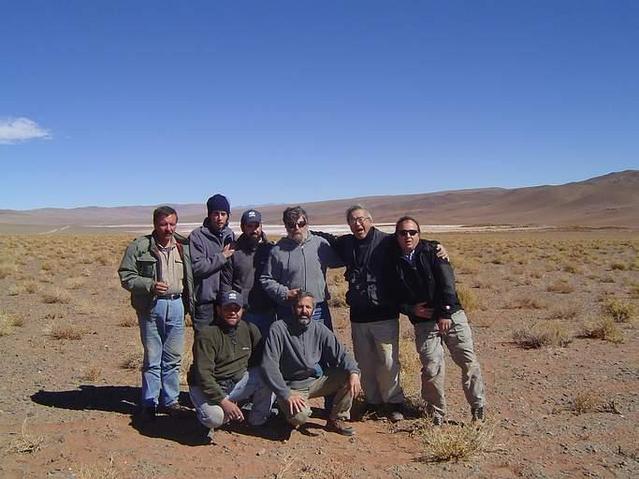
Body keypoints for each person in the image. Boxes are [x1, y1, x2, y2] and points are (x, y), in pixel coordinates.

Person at [314, 205, 448, 422]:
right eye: (353, 221)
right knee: (364, 362)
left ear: (370, 220)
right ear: (349, 224)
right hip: (358, 316)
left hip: (384, 314)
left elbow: (412, 242)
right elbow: (326, 237)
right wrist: (303, 230)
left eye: (361, 219)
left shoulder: (386, 241)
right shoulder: (347, 243)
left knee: (388, 362)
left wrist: (436, 245)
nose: (358, 224)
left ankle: (394, 401)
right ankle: (373, 401)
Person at [387, 216, 485, 425]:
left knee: (467, 361)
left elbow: (447, 283)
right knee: (431, 367)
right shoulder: (392, 260)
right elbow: (392, 296)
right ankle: (436, 413)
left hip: (452, 316)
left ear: (419, 234)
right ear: (396, 236)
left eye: (412, 232)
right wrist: (410, 309)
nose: (408, 236)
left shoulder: (432, 251)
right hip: (423, 322)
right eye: (403, 233)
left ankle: (478, 408)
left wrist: (445, 313)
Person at [118, 205, 194, 419]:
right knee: (153, 357)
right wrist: (149, 285)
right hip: (152, 306)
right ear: (155, 224)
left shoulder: (183, 245)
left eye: (172, 224)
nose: (168, 228)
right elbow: (126, 276)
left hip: (177, 305)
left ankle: (170, 401)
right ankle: (149, 402)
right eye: (163, 224)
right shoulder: (140, 247)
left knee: (173, 357)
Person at [261, 291, 362, 436]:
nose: (304, 311)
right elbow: (269, 365)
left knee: (350, 373)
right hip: (291, 386)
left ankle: (337, 419)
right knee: (300, 417)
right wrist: (286, 393)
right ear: (292, 309)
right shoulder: (279, 328)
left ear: (313, 310)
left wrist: (353, 373)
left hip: (315, 382)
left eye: (308, 307)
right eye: (300, 307)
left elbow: (341, 354)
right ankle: (283, 412)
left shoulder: (319, 329)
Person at [187, 290, 273, 438]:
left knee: (268, 376)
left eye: (236, 309)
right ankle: (204, 422)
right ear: (218, 310)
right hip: (207, 387)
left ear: (242, 310)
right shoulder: (207, 334)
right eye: (227, 308)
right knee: (216, 418)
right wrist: (224, 402)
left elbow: (258, 361)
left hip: (234, 384)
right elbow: (204, 376)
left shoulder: (250, 329)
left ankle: (257, 421)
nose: (232, 312)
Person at [259, 206, 343, 329]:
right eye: (292, 225)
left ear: (307, 224)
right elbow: (266, 279)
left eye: (301, 224)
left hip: (317, 308)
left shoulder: (320, 244)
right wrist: (285, 293)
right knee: (291, 346)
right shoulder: (278, 250)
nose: (297, 228)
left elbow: (339, 261)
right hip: (290, 308)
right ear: (286, 227)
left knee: (321, 345)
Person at [220, 209, 276, 337]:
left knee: (267, 352)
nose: (254, 230)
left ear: (261, 226)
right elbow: (226, 284)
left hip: (268, 312)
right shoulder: (234, 252)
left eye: (257, 226)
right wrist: (228, 310)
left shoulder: (271, 251)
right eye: (249, 226)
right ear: (242, 227)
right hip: (243, 313)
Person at [189, 194, 235, 332]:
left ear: (228, 216)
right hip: (205, 302)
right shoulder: (198, 236)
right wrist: (222, 256)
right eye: (216, 214)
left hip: (226, 300)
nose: (219, 218)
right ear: (209, 215)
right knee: (204, 343)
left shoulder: (230, 234)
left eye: (223, 214)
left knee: (224, 343)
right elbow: (196, 267)